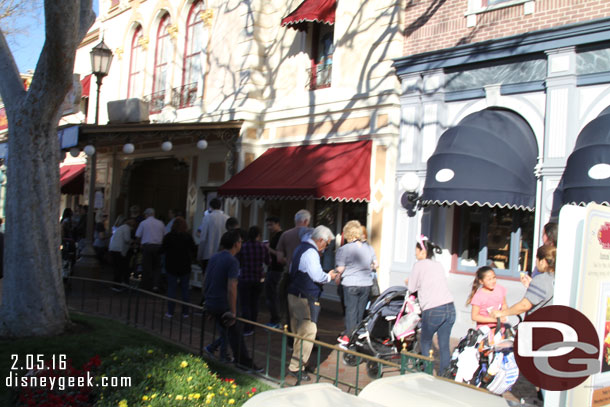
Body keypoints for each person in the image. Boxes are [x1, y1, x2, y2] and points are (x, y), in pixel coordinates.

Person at [203, 230, 262, 372]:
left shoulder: (214, 257)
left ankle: (221, 354)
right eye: (240, 242)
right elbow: (232, 286)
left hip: (212, 301)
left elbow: (206, 280)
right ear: (236, 244)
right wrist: (233, 311)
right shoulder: (232, 261)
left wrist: (207, 301)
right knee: (236, 334)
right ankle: (244, 363)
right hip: (223, 304)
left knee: (227, 332)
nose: (241, 244)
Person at [286, 225, 339, 381]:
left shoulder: (300, 248)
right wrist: (329, 276)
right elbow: (317, 276)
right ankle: (296, 367)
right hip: (305, 296)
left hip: (295, 293)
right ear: (320, 240)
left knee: (299, 332)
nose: (327, 247)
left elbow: (291, 268)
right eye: (327, 243)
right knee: (308, 331)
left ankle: (299, 363)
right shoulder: (311, 252)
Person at [406, 235, 455, 373]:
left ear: (423, 251)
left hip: (433, 309)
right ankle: (444, 374)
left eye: (417, 251)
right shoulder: (438, 265)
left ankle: (427, 372)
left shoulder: (418, 265)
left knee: (425, 341)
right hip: (450, 307)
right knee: (444, 344)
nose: (415, 254)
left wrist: (408, 281)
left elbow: (411, 288)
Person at [335, 220, 376, 345]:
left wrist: (336, 272)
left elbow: (341, 268)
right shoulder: (369, 247)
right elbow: (375, 264)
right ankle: (358, 335)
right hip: (366, 283)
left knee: (351, 311)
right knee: (360, 311)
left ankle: (349, 337)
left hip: (351, 283)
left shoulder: (344, 249)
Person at [491, 245, 556, 319]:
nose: (536, 262)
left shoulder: (541, 279)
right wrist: (531, 286)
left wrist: (501, 313)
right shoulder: (555, 278)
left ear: (542, 261)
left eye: (536, 259)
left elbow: (524, 305)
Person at [237, 226, 270, 335]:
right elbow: (267, 261)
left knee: (245, 303)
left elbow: (239, 260)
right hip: (257, 278)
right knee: (254, 303)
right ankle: (253, 325)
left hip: (245, 277)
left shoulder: (243, 247)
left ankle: (247, 327)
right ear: (258, 235)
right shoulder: (262, 247)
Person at [162, 216, 196, 318]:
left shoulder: (169, 236)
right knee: (185, 289)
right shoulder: (187, 237)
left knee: (172, 289)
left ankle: (170, 311)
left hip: (171, 265)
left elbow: (163, 249)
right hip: (185, 265)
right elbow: (193, 249)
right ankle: (185, 312)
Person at [135, 208, 166, 292]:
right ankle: (156, 285)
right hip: (158, 247)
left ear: (146, 214)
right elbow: (164, 235)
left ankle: (146, 286)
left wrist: (139, 244)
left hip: (147, 246)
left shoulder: (143, 223)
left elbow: (138, 236)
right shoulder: (160, 223)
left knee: (146, 266)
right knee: (157, 267)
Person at [197, 198, 228, 274]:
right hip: (223, 255)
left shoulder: (207, 218)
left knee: (207, 279)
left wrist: (199, 255)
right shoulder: (227, 218)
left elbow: (203, 238)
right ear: (220, 206)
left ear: (210, 206)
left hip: (208, 254)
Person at [264, 216, 284, 328]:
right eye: (268, 225)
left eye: (271, 225)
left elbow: (280, 254)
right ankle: (274, 319)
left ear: (277, 224)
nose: (269, 227)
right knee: (271, 295)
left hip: (277, 270)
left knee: (272, 295)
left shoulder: (280, 236)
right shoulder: (275, 236)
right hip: (272, 268)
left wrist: (268, 248)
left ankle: (276, 320)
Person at [108, 217, 136, 290]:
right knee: (119, 268)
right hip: (119, 250)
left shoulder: (121, 228)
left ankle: (116, 284)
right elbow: (127, 239)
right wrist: (132, 241)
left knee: (117, 268)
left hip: (113, 249)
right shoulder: (126, 228)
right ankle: (117, 285)